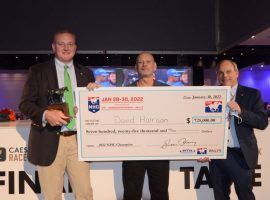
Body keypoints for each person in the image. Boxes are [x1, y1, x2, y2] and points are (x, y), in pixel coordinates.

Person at [19, 30, 95, 200]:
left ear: (75, 47)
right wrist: (46, 114)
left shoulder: (86, 73)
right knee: (52, 196)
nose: (66, 48)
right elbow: (25, 104)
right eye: (61, 44)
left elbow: (92, 107)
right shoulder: (38, 71)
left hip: (78, 142)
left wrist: (94, 97)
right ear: (54, 47)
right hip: (49, 140)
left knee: (85, 194)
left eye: (70, 44)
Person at [199, 59, 268, 200]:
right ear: (217, 75)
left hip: (241, 155)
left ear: (237, 73)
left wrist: (241, 111)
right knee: (220, 196)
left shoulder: (252, 94)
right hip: (218, 156)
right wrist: (204, 149)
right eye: (221, 73)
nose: (225, 76)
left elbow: (262, 122)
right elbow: (202, 126)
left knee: (245, 195)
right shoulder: (210, 94)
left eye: (229, 71)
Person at [122, 52, 170, 200]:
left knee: (160, 195)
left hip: (160, 152)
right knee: (131, 195)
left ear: (154, 66)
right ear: (136, 67)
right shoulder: (124, 92)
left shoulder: (170, 91)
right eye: (141, 62)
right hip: (132, 153)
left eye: (148, 62)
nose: (144, 65)